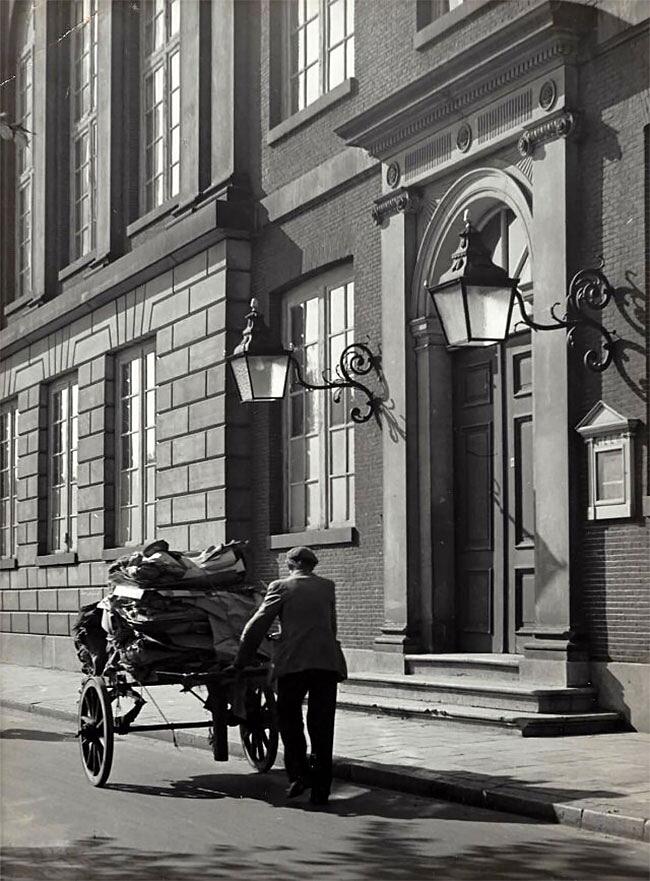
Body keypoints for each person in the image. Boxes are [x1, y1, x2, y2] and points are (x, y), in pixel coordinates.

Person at [233, 546, 346, 806]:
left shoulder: (281, 587)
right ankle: (321, 789)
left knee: (288, 720)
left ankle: (298, 774)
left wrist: (241, 661)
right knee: (322, 725)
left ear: (291, 565)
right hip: (326, 663)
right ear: (312, 565)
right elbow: (331, 625)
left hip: (294, 664)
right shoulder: (328, 587)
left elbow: (257, 625)